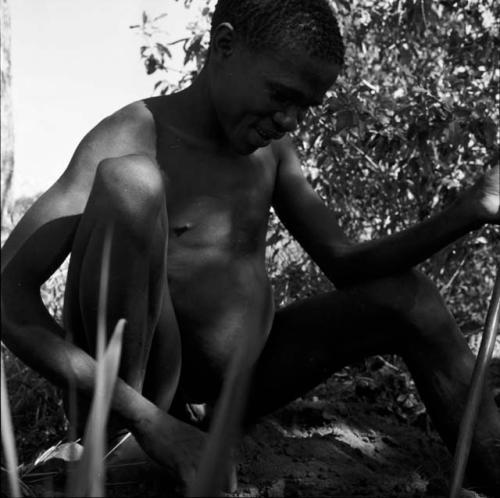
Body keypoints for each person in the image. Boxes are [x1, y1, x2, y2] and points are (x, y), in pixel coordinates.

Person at [2, 0, 499, 494]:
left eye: (305, 106)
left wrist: (470, 209)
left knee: (409, 298)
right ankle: (121, 439)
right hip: (143, 398)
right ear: (223, 46)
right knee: (130, 183)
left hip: (242, 387)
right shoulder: (130, 134)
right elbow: (7, 295)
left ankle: (494, 467)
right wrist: (149, 420)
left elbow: (346, 264)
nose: (289, 120)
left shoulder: (272, 152)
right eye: (282, 95)